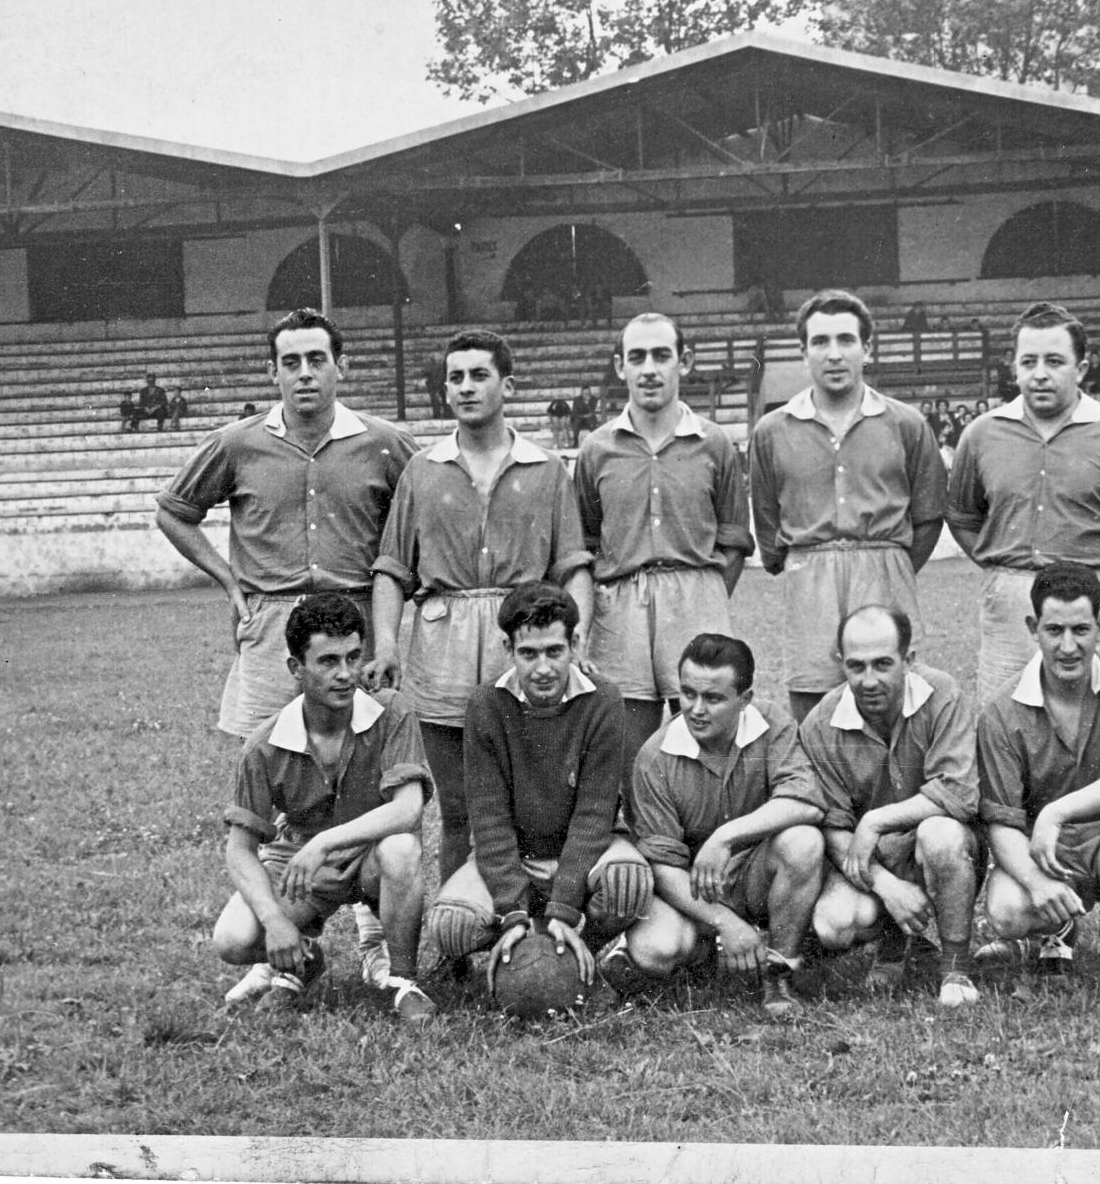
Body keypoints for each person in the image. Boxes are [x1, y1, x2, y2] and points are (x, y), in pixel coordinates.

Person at [365, 330, 593, 887]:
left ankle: (527, 916)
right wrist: (388, 644)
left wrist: (577, 641)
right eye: (456, 378)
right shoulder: (423, 470)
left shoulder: (546, 469)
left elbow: (573, 567)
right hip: (441, 645)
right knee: (459, 807)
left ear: (507, 385)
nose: (466, 387)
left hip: (524, 643)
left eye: (479, 375)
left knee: (527, 799)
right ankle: (458, 921)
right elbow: (392, 568)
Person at [157, 309, 421, 769]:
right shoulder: (236, 443)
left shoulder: (385, 442)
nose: (305, 374)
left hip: (355, 622)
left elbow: (426, 518)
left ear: (341, 366)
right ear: (272, 371)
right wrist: (228, 580)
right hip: (272, 622)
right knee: (269, 762)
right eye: (291, 362)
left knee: (363, 766)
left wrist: (393, 614)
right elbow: (173, 513)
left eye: (317, 360)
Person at [210, 594, 437, 1022]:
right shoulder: (263, 745)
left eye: (353, 657)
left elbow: (408, 809)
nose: (346, 673)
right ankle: (304, 959)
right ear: (296, 668)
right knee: (233, 940)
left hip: (369, 854)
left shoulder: (391, 711)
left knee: (402, 848)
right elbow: (239, 851)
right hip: (301, 864)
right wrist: (275, 921)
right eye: (328, 661)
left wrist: (327, 842)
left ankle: (404, 982)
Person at [425, 583, 653, 988]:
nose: (543, 668)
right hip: (520, 854)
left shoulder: (603, 700)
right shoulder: (485, 704)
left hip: (584, 851)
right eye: (529, 654)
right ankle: (523, 941)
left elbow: (594, 815)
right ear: (508, 648)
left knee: (628, 881)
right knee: (451, 925)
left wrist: (564, 908)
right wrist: (513, 911)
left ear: (574, 645)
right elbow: (489, 820)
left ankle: (573, 952)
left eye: (554, 651)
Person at [973, 562, 1100, 1011]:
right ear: (1033, 628)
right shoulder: (1001, 712)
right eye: (1054, 630)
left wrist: (1057, 811)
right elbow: (1000, 822)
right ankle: (1057, 926)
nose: (1068, 646)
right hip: (1047, 855)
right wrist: (1035, 882)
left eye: (1081, 630)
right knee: (1006, 911)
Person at [749, 289, 947, 724]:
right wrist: (801, 563)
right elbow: (766, 518)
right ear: (803, 352)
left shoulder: (906, 423)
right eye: (820, 342)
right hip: (810, 574)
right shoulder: (772, 431)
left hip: (884, 569)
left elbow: (929, 515)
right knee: (814, 708)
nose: (834, 354)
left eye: (846, 340)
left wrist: (891, 564)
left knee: (893, 701)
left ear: (867, 349)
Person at [945, 301, 1100, 701]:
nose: (1040, 373)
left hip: (1099, 596)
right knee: (1005, 717)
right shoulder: (981, 435)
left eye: (1055, 361)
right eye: (1029, 362)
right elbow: (962, 517)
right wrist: (1004, 567)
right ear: (1014, 367)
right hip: (1012, 604)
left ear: (1081, 368)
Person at [606, 634, 825, 1016]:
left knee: (803, 842)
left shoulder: (772, 723)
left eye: (713, 698)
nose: (696, 709)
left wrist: (726, 836)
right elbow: (662, 866)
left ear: (745, 698)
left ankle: (779, 971)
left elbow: (806, 802)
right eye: (688, 694)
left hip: (754, 877)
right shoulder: (654, 758)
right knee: (656, 949)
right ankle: (700, 951)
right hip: (695, 890)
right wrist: (725, 923)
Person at [577, 312, 754, 743]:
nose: (649, 369)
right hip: (621, 607)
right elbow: (584, 541)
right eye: (637, 357)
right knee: (624, 743)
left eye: (661, 355)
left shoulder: (714, 443)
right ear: (620, 367)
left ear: (684, 361)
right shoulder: (596, 448)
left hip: (695, 597)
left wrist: (706, 595)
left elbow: (734, 537)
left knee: (702, 738)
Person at [800, 605, 984, 1008]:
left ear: (908, 659)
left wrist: (875, 821)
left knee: (940, 834)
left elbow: (958, 793)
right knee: (835, 924)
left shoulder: (943, 694)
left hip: (940, 843)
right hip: (873, 861)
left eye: (883, 664)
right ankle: (893, 943)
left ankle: (955, 968)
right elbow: (833, 828)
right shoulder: (820, 723)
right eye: (856, 666)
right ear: (840, 662)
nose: (869, 680)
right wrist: (888, 885)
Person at [423, 350, 448, 420]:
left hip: (441, 385)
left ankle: (446, 414)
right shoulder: (432, 366)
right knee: (436, 400)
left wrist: (436, 384)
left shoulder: (441, 366)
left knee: (444, 400)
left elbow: (442, 376)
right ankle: (437, 414)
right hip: (435, 385)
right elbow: (426, 373)